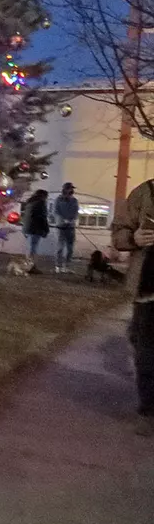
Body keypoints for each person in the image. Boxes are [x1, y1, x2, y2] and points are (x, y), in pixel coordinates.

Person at [111, 178, 154, 436]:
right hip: (147, 290)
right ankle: (149, 410)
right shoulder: (143, 193)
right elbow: (118, 234)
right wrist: (134, 237)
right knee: (146, 353)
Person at [53, 182, 80, 273]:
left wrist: (73, 220)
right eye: (69, 188)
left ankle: (66, 266)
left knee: (70, 248)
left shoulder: (74, 200)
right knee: (60, 247)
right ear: (65, 189)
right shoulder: (58, 200)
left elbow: (76, 212)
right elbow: (55, 212)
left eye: (72, 189)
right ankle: (58, 266)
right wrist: (62, 220)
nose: (71, 190)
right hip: (60, 227)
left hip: (71, 227)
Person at [21, 189, 50, 274]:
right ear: (43, 196)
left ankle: (28, 265)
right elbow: (42, 218)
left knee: (30, 248)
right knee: (33, 249)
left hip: (27, 228)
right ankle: (31, 267)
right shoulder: (41, 203)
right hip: (35, 229)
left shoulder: (30, 202)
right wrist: (46, 229)